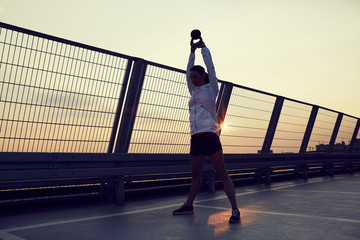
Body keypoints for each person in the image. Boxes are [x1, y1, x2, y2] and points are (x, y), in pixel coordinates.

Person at [172, 40, 240, 223]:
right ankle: (188, 206)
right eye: (191, 77)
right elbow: (187, 70)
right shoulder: (192, 92)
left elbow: (211, 66)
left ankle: (235, 210)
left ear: (203, 76)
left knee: (222, 173)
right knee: (196, 176)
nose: (192, 80)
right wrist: (191, 52)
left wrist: (203, 49)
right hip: (195, 137)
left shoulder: (211, 89)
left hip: (210, 135)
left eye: (195, 77)